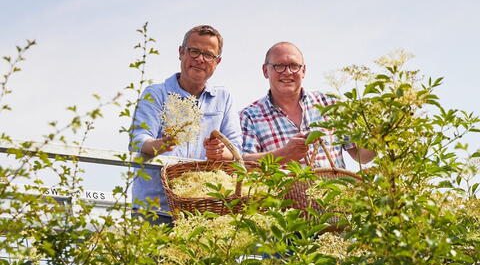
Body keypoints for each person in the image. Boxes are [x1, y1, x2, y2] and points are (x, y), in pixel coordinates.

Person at [129, 25, 242, 225]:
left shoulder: (223, 99)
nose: (200, 59)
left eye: (208, 54)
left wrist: (221, 152)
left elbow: (236, 149)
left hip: (203, 210)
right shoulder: (155, 94)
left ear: (217, 62)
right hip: (155, 209)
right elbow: (138, 140)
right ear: (181, 52)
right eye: (194, 51)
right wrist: (160, 145)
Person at [240, 42, 375, 167]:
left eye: (294, 66)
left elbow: (362, 157)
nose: (287, 72)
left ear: (303, 71)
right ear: (265, 71)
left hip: (336, 191)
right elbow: (243, 164)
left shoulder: (330, 104)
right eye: (279, 66)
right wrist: (283, 154)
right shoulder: (250, 116)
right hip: (284, 193)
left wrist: (380, 133)